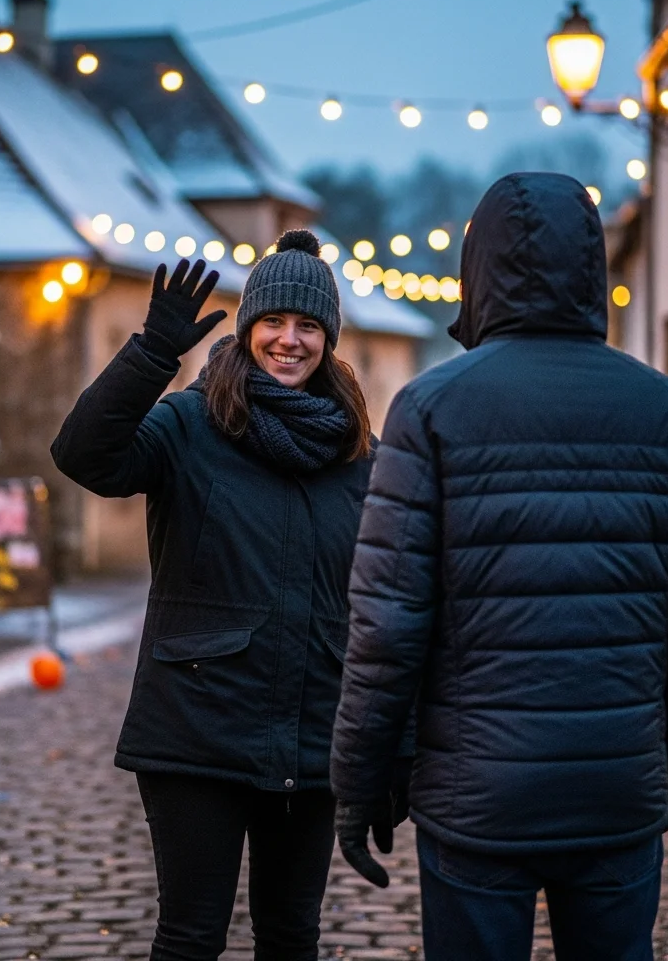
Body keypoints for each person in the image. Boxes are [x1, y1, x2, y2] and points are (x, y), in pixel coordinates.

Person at [330, 172, 668, 961]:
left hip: (478, 795)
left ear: (475, 271)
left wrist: (360, 782)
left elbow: (386, 625)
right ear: (595, 268)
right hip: (616, 785)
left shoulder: (430, 408)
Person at [51, 230, 396, 961]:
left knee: (290, 935)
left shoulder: (360, 455)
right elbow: (83, 455)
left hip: (312, 730)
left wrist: (387, 744)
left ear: (329, 339)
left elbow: (385, 602)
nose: (289, 341)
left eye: (308, 326)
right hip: (195, 726)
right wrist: (149, 354)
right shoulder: (189, 423)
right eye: (274, 321)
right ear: (247, 328)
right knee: (189, 936)